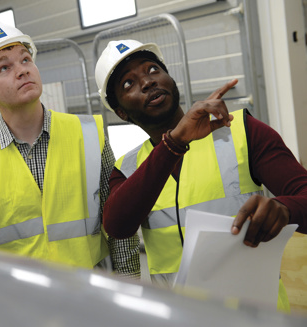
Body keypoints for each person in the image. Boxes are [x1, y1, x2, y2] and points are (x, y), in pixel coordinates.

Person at [94, 39, 307, 310]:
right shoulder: (128, 169)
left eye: (153, 70)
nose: (147, 82)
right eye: (128, 83)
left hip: (256, 318)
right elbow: (117, 226)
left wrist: (283, 208)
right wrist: (174, 143)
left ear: (170, 79)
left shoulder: (240, 130)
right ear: (121, 112)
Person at [0, 23, 140, 278]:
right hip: (22, 308)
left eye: (26, 59)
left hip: (91, 297)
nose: (22, 71)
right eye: (5, 67)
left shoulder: (89, 134)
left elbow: (120, 229)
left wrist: (129, 289)